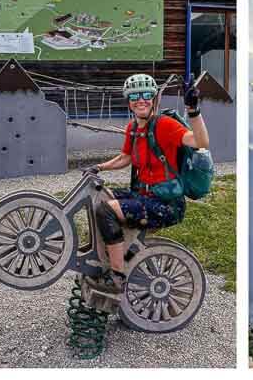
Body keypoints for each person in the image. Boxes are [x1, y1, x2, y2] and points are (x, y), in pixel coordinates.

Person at [85, 73, 209, 292]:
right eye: (134, 96)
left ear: (154, 99)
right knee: (100, 196)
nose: (140, 100)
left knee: (106, 211)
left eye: (146, 95)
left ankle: (116, 276)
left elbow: (200, 142)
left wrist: (194, 110)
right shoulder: (133, 128)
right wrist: (99, 167)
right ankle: (109, 253)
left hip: (166, 204)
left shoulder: (165, 125)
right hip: (143, 196)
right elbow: (126, 157)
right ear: (129, 101)